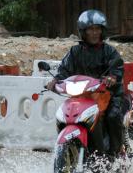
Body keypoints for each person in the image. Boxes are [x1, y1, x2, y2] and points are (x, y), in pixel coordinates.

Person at [47, 9, 124, 158]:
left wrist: (112, 78)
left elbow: (117, 69)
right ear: (84, 31)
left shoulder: (109, 51)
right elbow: (64, 70)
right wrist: (55, 80)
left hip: (107, 93)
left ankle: (115, 151)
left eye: (97, 29)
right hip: (83, 95)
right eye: (90, 29)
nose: (95, 33)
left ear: (102, 31)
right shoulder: (75, 52)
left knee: (113, 116)